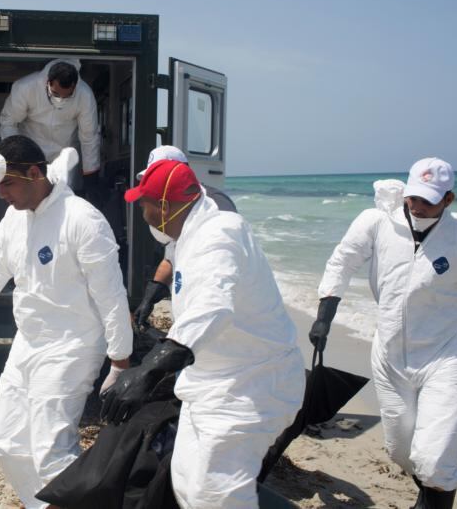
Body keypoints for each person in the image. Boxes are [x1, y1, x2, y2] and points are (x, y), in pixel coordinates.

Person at [310, 157, 457, 509]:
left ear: (448, 199)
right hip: (390, 356)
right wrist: (325, 314)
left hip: (446, 355)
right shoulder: (376, 223)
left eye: (427, 200)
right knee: (402, 453)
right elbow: (342, 261)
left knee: (434, 460)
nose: (416, 206)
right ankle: (428, 489)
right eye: (413, 197)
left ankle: (434, 495)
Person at [0, 135, 133, 509]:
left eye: (7, 184)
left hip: (72, 346)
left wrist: (120, 361)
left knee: (52, 452)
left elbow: (112, 298)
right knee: (5, 444)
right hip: (28, 343)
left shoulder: (83, 221)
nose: (1, 195)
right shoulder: (14, 219)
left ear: (34, 173)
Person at [102, 160, 305, 508]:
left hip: (251, 387)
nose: (141, 210)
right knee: (187, 483)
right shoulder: (191, 232)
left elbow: (211, 308)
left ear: (164, 207)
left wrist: (148, 371)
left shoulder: (218, 235)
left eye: (143, 203)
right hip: (210, 383)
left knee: (215, 494)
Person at [131, 146, 238, 330]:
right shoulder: (177, 210)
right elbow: (171, 255)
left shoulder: (217, 209)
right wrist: (151, 294)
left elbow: (219, 289)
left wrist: (179, 345)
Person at [0, 59, 102, 195]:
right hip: (30, 155)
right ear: (48, 82)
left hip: (64, 156)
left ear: (75, 86)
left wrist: (91, 176)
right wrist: (17, 159)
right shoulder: (25, 87)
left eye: (68, 96)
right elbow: (9, 122)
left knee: (63, 200)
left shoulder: (85, 95)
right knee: (28, 199)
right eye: (56, 94)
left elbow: (89, 137)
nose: (61, 100)